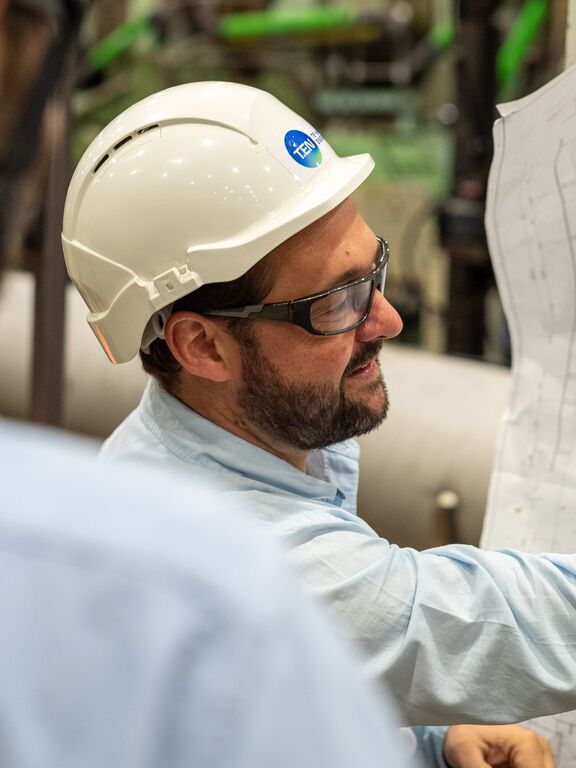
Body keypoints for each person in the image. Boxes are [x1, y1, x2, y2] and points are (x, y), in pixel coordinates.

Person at [62, 82, 574, 734]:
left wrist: (431, 743)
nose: (386, 320)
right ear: (202, 345)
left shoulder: (210, 438)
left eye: (373, 273)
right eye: (336, 304)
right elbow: (462, 624)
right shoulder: (237, 557)